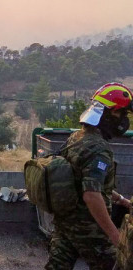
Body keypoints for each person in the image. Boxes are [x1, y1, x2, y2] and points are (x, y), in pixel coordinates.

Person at [45, 82, 133, 270]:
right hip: (89, 230)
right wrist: (115, 237)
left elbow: (85, 181)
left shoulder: (77, 137)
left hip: (65, 222)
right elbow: (91, 195)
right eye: (121, 113)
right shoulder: (99, 149)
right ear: (107, 114)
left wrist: (121, 199)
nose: (124, 120)